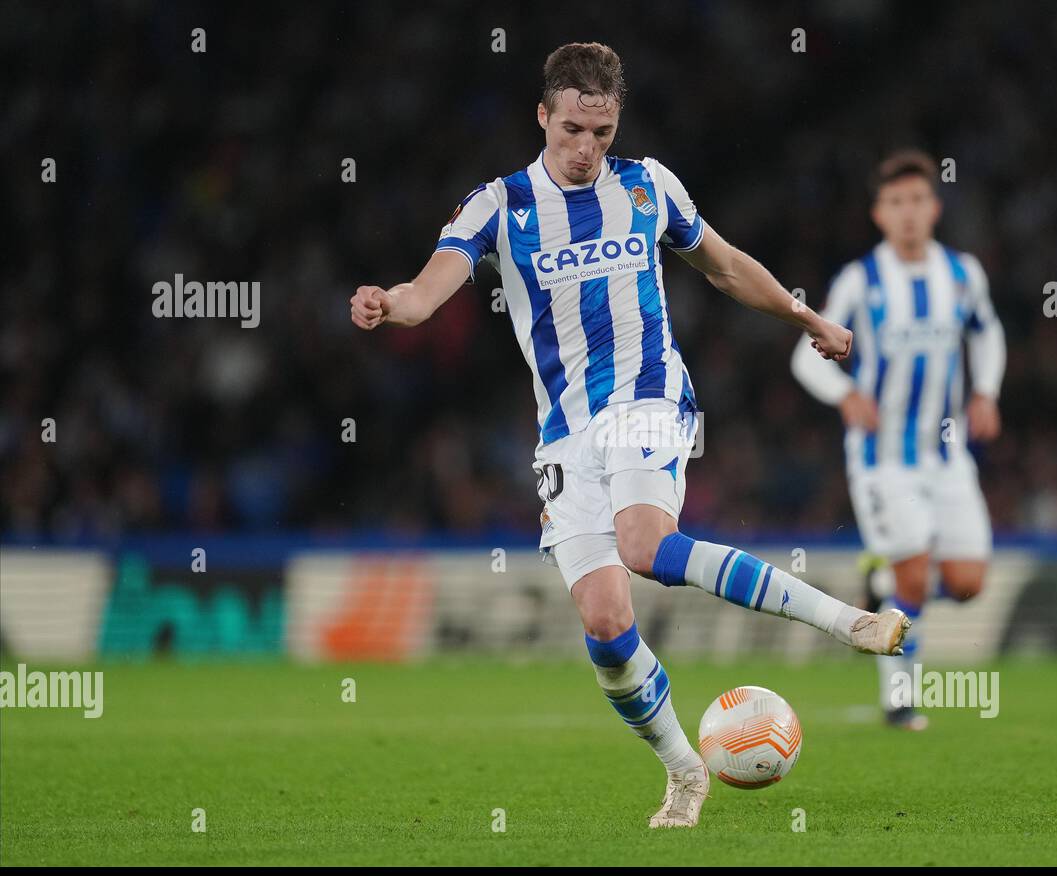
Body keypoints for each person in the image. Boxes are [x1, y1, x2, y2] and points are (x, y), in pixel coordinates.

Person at [350, 42, 909, 827]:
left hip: (649, 396)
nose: (586, 150)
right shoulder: (498, 205)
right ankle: (685, 771)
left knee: (646, 545)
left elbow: (722, 265)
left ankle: (847, 622)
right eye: (572, 130)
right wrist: (392, 301)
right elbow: (428, 289)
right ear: (542, 116)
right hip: (565, 436)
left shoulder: (648, 188)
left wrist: (803, 315)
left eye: (602, 133)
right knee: (608, 626)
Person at [791, 149, 1005, 731]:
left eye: (917, 200)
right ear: (879, 214)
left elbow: (988, 335)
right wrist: (845, 394)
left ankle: (880, 579)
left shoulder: (962, 274)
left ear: (934, 208)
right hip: (882, 461)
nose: (907, 213)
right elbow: (805, 358)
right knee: (915, 582)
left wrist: (985, 391)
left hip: (947, 454)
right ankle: (900, 703)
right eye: (895, 203)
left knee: (966, 583)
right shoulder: (861, 280)